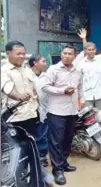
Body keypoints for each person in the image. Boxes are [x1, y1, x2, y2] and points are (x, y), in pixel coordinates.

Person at [42, 45, 84, 185]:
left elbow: (80, 87)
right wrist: (63, 91)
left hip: (72, 111)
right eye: (65, 53)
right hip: (57, 112)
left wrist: (81, 101)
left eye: (70, 54)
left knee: (67, 139)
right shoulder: (53, 69)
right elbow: (45, 87)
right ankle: (57, 169)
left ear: (74, 55)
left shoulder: (77, 71)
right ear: (61, 55)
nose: (67, 56)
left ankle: (64, 163)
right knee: (56, 141)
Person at [1, 41, 38, 137]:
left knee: (31, 144)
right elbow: (7, 88)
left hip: (31, 115)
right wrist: (19, 96)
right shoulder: (4, 71)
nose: (22, 56)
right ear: (8, 53)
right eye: (18, 54)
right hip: (14, 117)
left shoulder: (27, 69)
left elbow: (34, 87)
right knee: (17, 148)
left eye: (24, 54)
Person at [76, 28, 101, 110]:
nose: (91, 51)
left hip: (100, 94)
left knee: (100, 118)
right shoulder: (81, 63)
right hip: (86, 96)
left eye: (93, 49)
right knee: (88, 119)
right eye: (89, 50)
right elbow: (78, 79)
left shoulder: (100, 59)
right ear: (85, 51)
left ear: (95, 50)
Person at [29, 54, 50, 167]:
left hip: (44, 110)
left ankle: (42, 156)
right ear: (35, 63)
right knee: (32, 134)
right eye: (43, 61)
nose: (45, 63)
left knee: (42, 134)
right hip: (30, 111)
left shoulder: (46, 76)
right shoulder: (27, 75)